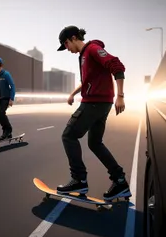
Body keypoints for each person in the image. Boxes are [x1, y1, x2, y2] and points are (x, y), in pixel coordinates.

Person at [56, 25, 131, 201]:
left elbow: (116, 65)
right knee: (95, 143)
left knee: (68, 136)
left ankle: (79, 180)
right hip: (101, 104)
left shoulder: (92, 49)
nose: (67, 49)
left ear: (74, 38)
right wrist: (73, 94)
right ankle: (120, 181)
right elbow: (87, 81)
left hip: (94, 103)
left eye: (66, 44)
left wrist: (120, 95)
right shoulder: (84, 56)